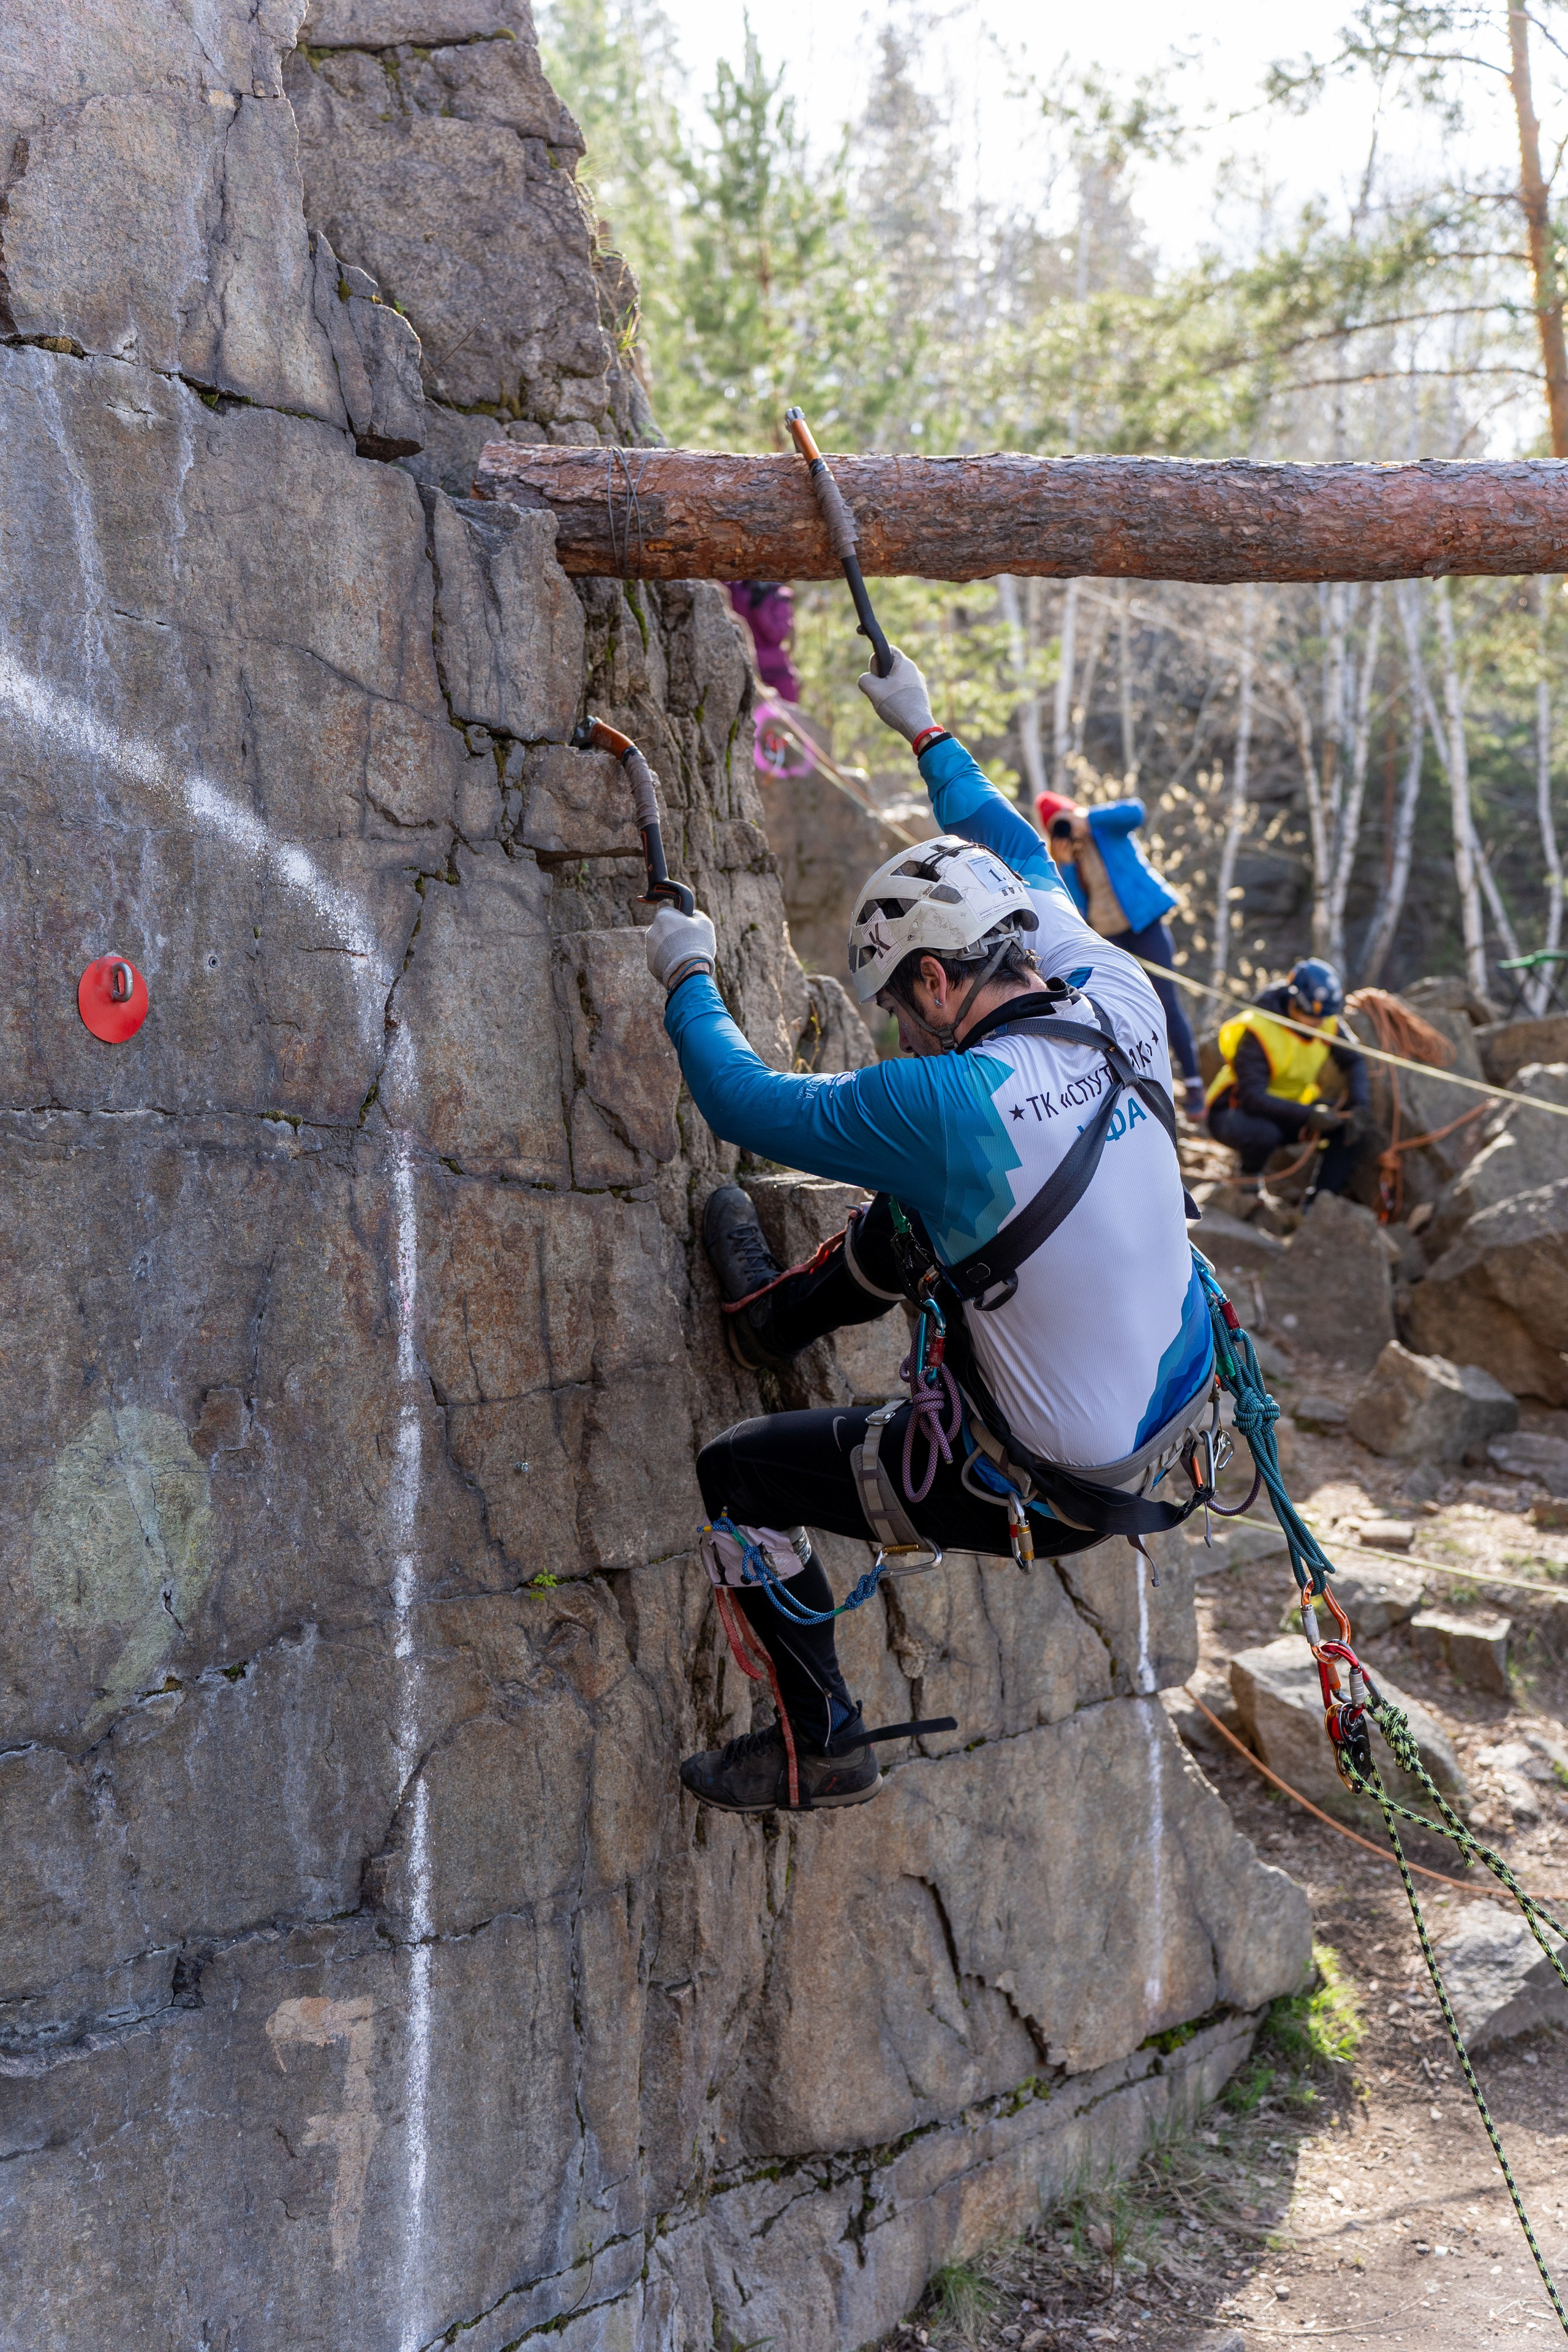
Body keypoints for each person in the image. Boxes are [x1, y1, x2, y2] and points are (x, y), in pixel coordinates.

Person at [642, 647, 1218, 1817]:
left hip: (1047, 1483)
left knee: (737, 1474)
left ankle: (823, 1742)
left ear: (944, 982)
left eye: (904, 999)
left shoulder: (943, 1104)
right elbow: (1014, 849)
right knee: (938, 1221)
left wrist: (688, 975)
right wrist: (927, 734)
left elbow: (744, 1101)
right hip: (1180, 1401)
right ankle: (773, 1321)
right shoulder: (1116, 992)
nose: (904, 1027)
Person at [1035, 788, 1205, 1123]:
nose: (1065, 828)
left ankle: (1195, 1083)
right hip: (1108, 937)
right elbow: (1074, 912)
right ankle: (1138, 1082)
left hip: (1145, 925)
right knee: (1121, 1010)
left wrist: (1086, 818)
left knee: (1167, 1002)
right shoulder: (1066, 858)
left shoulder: (1104, 826)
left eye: (1064, 820)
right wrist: (1065, 863)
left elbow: (1136, 811)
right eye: (1057, 826)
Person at [1204, 958, 1369, 1207]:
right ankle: (1249, 1179)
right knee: (1264, 1135)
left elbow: (1353, 1059)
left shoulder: (1326, 1021)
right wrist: (1309, 1115)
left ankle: (1319, 1204)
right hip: (1232, 1110)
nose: (1319, 1024)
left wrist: (1359, 1105)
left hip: (1289, 1107)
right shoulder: (1259, 1030)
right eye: (1313, 1017)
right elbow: (1252, 1098)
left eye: (1324, 1017)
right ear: (1295, 1003)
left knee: (1347, 1129)